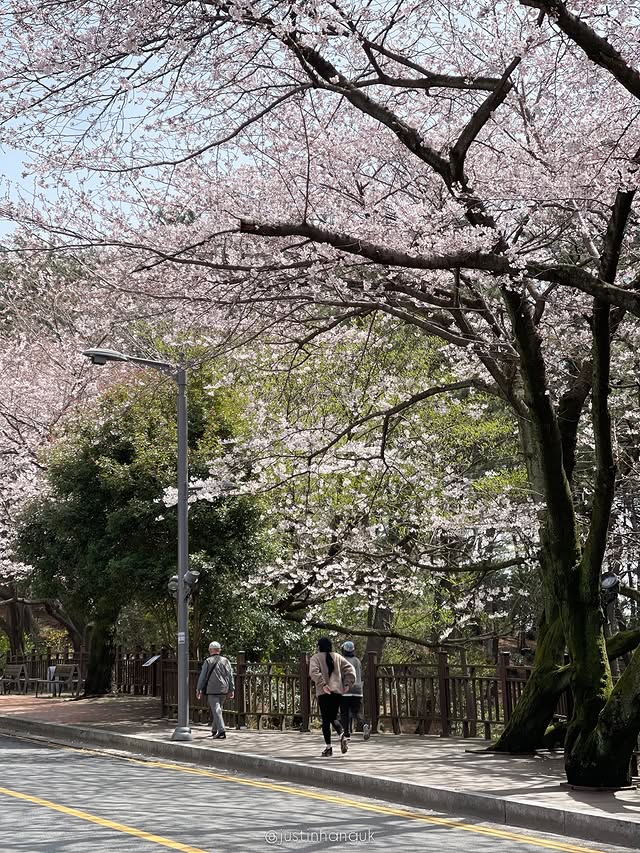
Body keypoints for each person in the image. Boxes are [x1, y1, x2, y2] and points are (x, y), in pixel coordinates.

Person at [309, 637, 355, 757]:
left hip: (324, 692)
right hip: (337, 691)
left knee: (326, 719)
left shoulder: (316, 657)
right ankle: (342, 735)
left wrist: (323, 684)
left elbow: (313, 672)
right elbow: (350, 669)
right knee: (333, 717)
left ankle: (328, 748)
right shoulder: (338, 657)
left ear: (319, 646)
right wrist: (347, 684)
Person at [196, 641, 235, 739]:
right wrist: (231, 689)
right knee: (218, 709)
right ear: (219, 650)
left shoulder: (208, 661)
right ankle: (214, 730)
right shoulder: (226, 661)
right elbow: (230, 676)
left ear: (210, 650)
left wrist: (199, 689)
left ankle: (221, 731)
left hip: (212, 689)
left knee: (217, 710)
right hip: (224, 689)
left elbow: (202, 676)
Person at [339, 641, 371, 741]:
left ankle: (347, 734)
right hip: (358, 690)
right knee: (356, 712)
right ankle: (364, 724)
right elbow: (360, 674)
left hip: (345, 689)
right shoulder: (357, 661)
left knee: (344, 713)